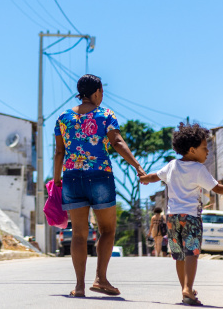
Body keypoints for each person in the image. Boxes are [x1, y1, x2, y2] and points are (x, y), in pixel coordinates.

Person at [53, 74, 146, 298]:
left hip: (72, 176)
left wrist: (57, 178)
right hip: (100, 176)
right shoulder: (105, 115)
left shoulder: (63, 117)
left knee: (77, 234)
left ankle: (79, 286)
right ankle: (101, 279)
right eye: (102, 92)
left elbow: (59, 152)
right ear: (96, 92)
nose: (102, 96)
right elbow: (117, 142)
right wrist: (137, 166)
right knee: (107, 230)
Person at [140, 121, 223, 306]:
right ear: (191, 149)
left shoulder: (172, 165)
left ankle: (185, 290)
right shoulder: (198, 169)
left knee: (179, 255)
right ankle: (188, 288)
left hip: (172, 218)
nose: (207, 152)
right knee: (192, 253)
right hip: (190, 217)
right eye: (204, 148)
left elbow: (154, 176)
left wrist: (144, 179)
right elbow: (217, 188)